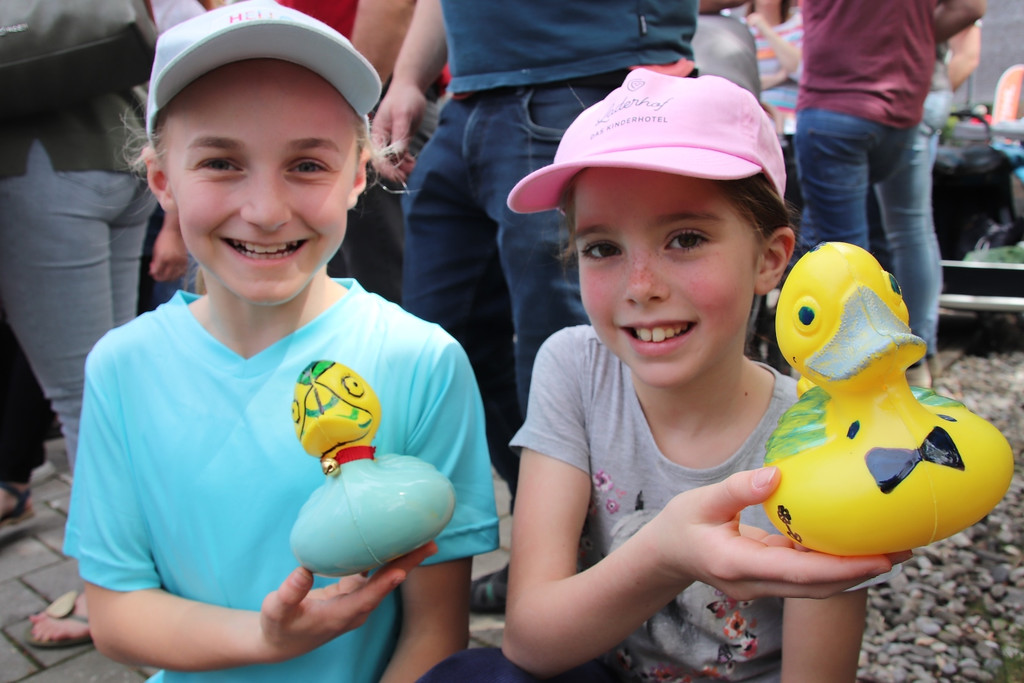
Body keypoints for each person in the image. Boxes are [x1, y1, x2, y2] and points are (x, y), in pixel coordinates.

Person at [418, 71, 907, 683]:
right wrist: (668, 553)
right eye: (602, 248)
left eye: (686, 238)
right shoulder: (575, 368)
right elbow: (531, 640)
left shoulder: (827, 439)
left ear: (770, 259)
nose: (641, 286)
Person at [61, 2, 499, 681]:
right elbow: (117, 614)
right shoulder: (122, 368)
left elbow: (435, 631)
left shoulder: (422, 361)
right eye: (220, 162)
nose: (265, 211)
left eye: (307, 165)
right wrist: (268, 638)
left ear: (358, 175)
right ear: (161, 180)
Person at [372, 0, 747, 614]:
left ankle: (625, 567)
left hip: (587, 76)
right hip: (469, 94)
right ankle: (551, 550)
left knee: (593, 354)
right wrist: (411, 77)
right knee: (443, 356)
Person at [793, 0, 987, 255]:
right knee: (906, 232)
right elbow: (969, 6)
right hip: (900, 108)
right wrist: (911, 38)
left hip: (836, 103)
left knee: (845, 249)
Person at [744, 0, 803, 135]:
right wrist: (779, 77)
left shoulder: (799, 25)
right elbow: (742, 82)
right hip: (755, 121)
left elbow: (799, 70)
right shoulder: (741, 29)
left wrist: (765, 29)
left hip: (794, 120)